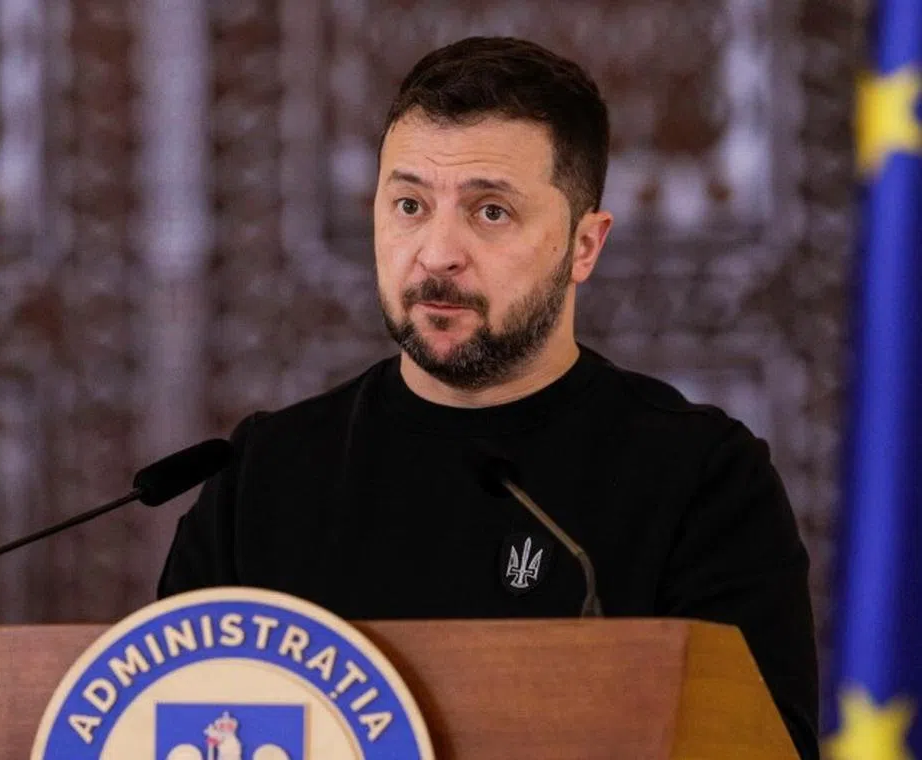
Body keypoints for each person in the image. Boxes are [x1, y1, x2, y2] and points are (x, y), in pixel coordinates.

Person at [158, 36, 819, 758]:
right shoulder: (264, 477)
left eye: (490, 212)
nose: (438, 251)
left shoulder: (701, 478)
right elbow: (162, 721)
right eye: (409, 203)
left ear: (585, 246)